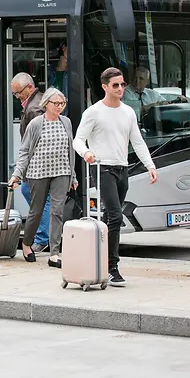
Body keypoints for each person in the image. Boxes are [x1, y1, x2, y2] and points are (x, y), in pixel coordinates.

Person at [73, 67, 159, 287]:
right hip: (102, 168)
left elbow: (137, 141)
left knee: (112, 219)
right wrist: (87, 153)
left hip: (122, 168)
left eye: (122, 85)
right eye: (115, 85)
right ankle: (112, 267)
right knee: (115, 215)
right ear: (105, 87)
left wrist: (150, 165)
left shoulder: (128, 112)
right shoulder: (93, 112)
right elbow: (78, 140)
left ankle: (98, 258)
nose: (120, 88)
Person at [8, 88, 78, 267]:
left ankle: (54, 253)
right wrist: (17, 174)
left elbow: (69, 151)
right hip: (38, 172)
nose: (59, 107)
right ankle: (26, 243)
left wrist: (74, 177)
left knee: (57, 212)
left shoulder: (67, 122)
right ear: (46, 104)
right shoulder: (36, 124)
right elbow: (24, 151)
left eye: (62, 103)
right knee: (36, 211)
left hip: (62, 172)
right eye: (56, 104)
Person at [10, 71, 49, 253]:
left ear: (30, 88)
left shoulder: (34, 109)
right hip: (38, 162)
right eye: (15, 94)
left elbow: (37, 140)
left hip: (39, 163)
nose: (17, 97)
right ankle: (43, 234)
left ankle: (42, 238)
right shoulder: (36, 102)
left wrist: (27, 167)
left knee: (39, 197)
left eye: (18, 93)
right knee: (34, 194)